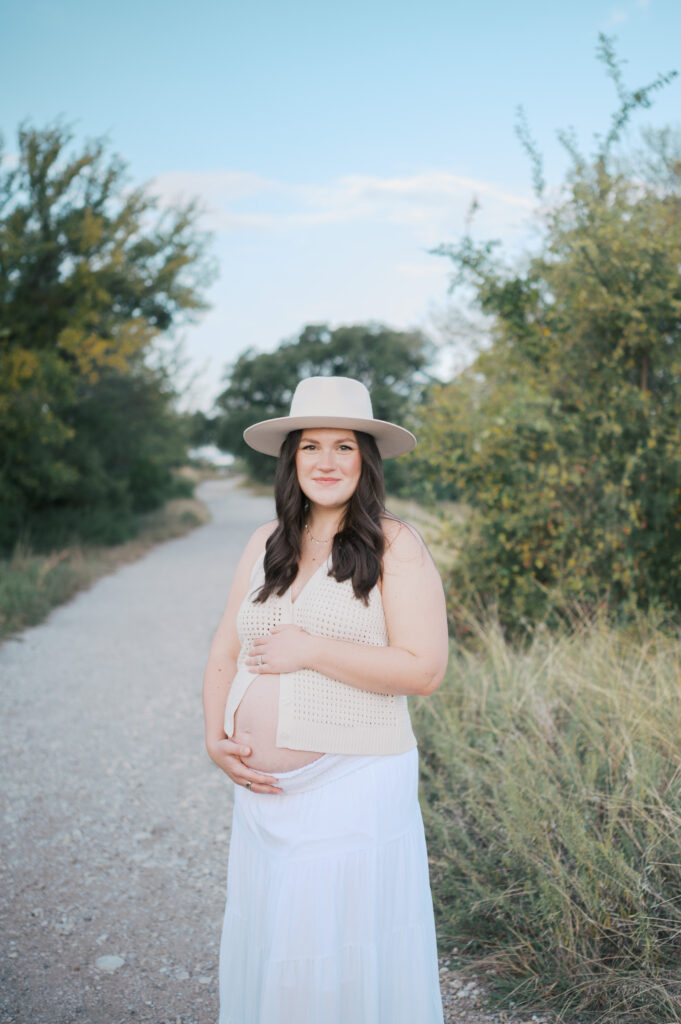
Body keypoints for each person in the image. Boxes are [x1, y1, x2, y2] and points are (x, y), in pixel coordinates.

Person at [202, 376, 449, 1024]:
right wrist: (213, 737)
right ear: (292, 460)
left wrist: (310, 650)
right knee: (274, 938)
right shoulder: (264, 542)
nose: (327, 461)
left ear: (365, 459)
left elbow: (423, 670)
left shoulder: (394, 544)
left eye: (344, 446)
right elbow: (225, 651)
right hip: (262, 800)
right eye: (311, 446)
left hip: (354, 782)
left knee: (328, 947)